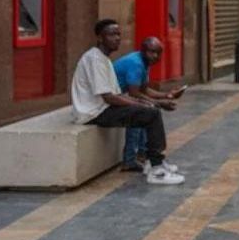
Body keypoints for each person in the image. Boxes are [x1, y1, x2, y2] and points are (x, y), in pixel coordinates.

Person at [71, 20, 184, 185]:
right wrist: (139, 103)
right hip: (93, 112)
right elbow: (109, 97)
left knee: (149, 111)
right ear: (100, 38)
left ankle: (152, 162)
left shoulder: (104, 59)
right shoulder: (95, 59)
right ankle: (156, 169)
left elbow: (122, 94)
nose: (117, 38)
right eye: (111, 34)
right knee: (150, 114)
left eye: (118, 34)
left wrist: (147, 102)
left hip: (102, 107)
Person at [113, 37, 185, 172]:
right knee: (140, 113)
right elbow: (134, 93)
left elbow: (144, 89)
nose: (155, 56)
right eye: (151, 52)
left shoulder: (144, 63)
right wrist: (160, 103)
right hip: (109, 99)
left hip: (120, 96)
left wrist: (167, 95)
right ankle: (130, 159)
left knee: (147, 110)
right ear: (143, 51)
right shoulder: (136, 63)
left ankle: (144, 155)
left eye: (158, 53)